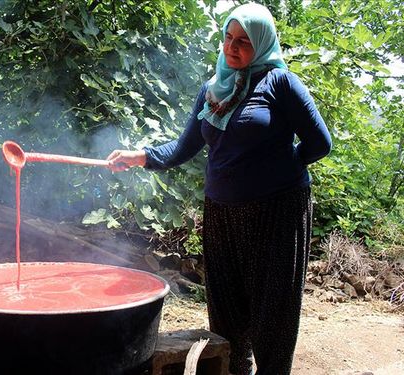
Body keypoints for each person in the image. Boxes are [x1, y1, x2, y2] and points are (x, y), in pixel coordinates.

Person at [106, 3, 332, 375]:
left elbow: (319, 144)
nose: (232, 47)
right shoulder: (213, 88)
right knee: (226, 313)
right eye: (228, 37)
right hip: (222, 212)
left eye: (244, 40)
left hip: (275, 212)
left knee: (271, 313)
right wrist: (139, 156)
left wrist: (277, 169)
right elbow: (185, 147)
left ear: (261, 43)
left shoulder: (280, 83)